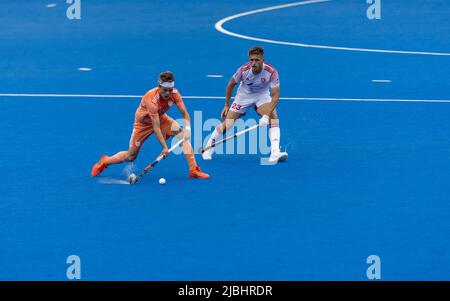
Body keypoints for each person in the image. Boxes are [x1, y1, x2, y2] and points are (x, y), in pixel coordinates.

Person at [91, 71, 210, 179]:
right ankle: (105, 161)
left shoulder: (175, 93)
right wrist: (164, 147)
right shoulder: (152, 99)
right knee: (131, 156)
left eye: (170, 90)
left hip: (161, 118)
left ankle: (193, 170)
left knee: (182, 134)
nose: (168, 93)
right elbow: (156, 127)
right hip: (143, 124)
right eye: (165, 90)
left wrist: (188, 129)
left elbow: (185, 113)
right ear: (159, 86)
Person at [202, 46, 288, 163]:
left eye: (257, 60)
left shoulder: (271, 72)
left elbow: (275, 96)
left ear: (263, 60)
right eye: (251, 60)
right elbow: (231, 84)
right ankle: (208, 147)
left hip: (261, 95)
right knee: (228, 123)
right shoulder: (243, 70)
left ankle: (275, 152)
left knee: (273, 118)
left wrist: (266, 116)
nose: (253, 63)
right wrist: (226, 105)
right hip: (243, 96)